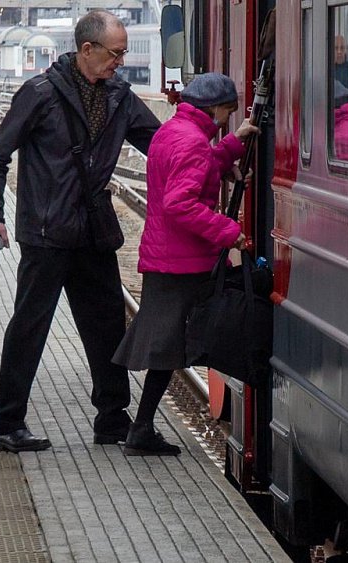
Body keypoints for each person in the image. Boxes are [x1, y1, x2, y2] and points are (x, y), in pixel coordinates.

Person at [0, 10, 161, 453]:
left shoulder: (119, 95)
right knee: (30, 326)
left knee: (106, 326)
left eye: (121, 53)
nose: (120, 61)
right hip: (46, 232)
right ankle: (9, 424)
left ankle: (112, 420)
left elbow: (162, 145)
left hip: (94, 230)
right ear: (87, 50)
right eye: (115, 53)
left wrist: (212, 156)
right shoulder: (39, 94)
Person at [111, 73, 257, 456]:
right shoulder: (193, 140)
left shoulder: (174, 131)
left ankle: (139, 428)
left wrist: (231, 147)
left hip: (167, 256)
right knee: (168, 347)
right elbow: (181, 202)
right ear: (215, 108)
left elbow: (200, 165)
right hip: (180, 261)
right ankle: (138, 429)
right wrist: (229, 230)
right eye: (227, 112)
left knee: (166, 347)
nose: (226, 119)